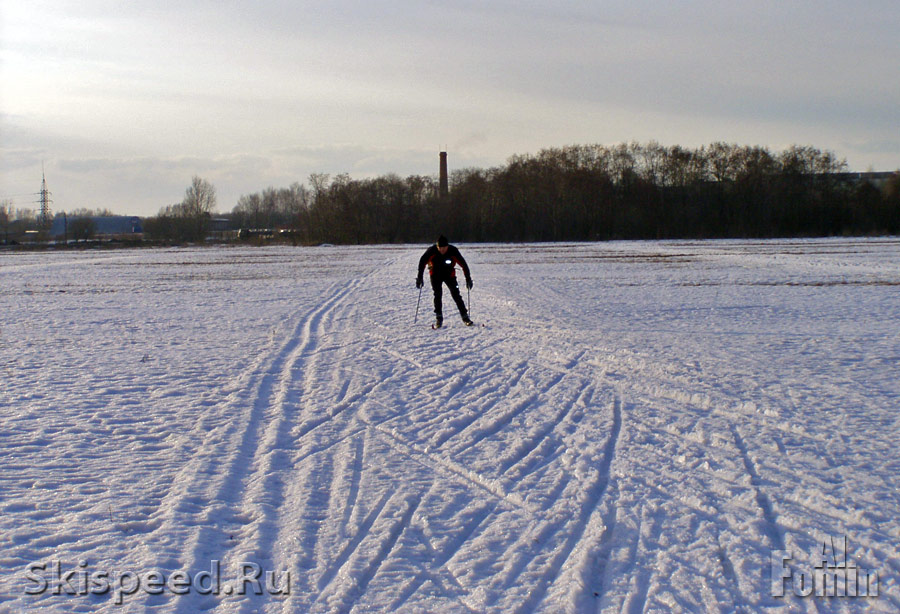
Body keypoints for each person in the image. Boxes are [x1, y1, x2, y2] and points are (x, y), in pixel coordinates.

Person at [416, 235, 473, 328]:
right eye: (440, 248)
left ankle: (465, 317)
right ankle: (439, 317)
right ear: (437, 246)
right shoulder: (432, 251)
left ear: (447, 246)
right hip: (435, 275)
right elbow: (422, 262)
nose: (442, 250)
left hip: (449, 275)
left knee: (456, 294)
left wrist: (468, 278)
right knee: (437, 295)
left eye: (444, 248)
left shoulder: (453, 251)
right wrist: (419, 278)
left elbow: (463, 264)